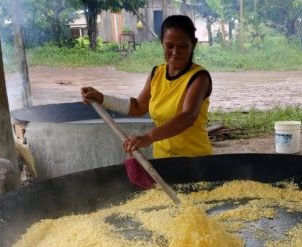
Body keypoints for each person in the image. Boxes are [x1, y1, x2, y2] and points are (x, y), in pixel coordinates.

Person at [81, 15, 213, 158]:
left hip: (195, 161)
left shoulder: (199, 77)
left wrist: (149, 137)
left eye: (182, 46)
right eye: (170, 46)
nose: (175, 52)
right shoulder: (157, 73)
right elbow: (138, 107)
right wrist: (102, 98)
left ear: (193, 44)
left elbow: (187, 117)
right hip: (163, 159)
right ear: (162, 43)